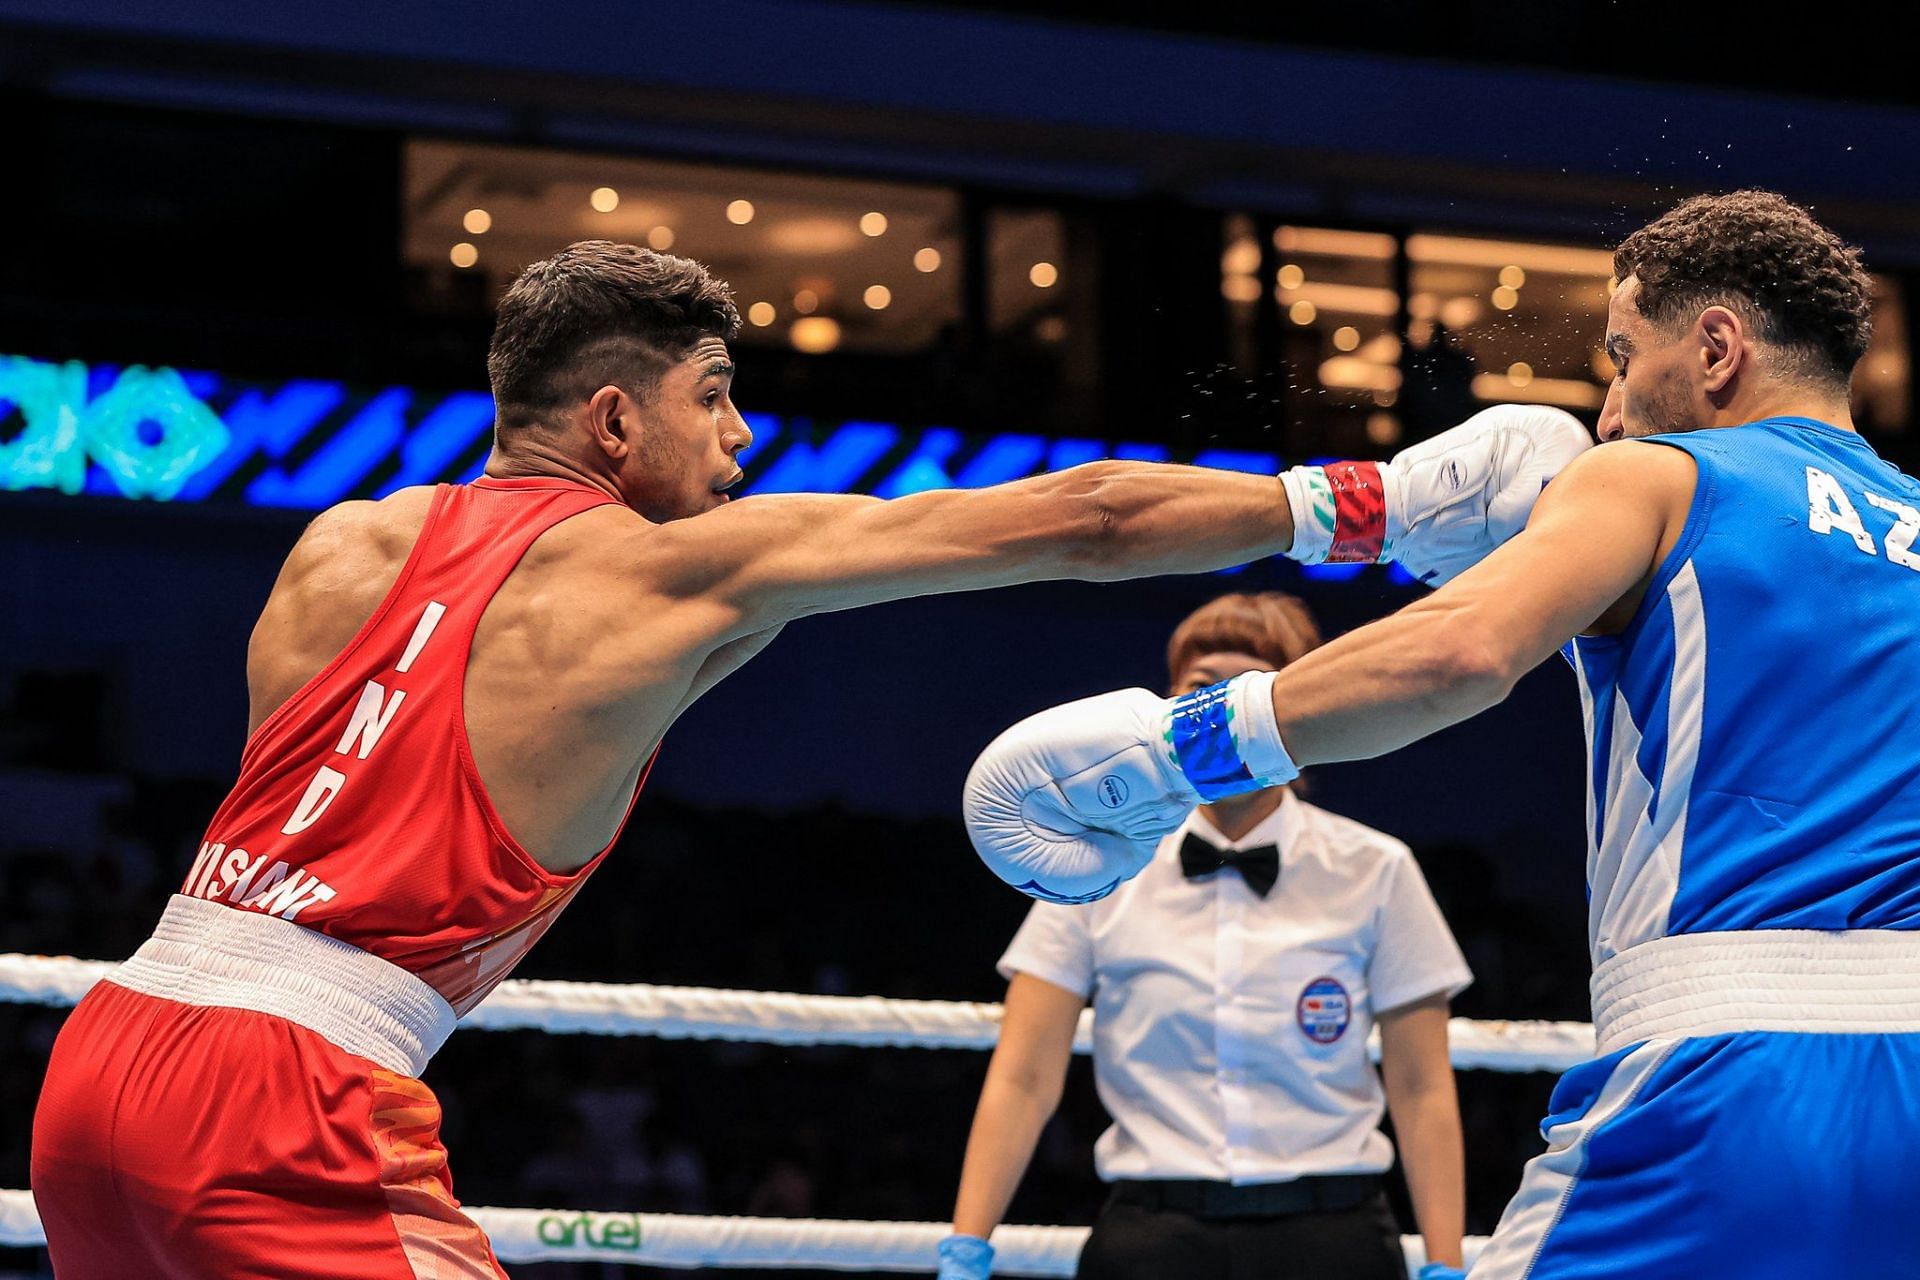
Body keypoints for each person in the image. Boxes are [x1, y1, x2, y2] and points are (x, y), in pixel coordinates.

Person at [27, 239, 1583, 1278]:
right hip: (293, 1095)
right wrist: (1372, 510)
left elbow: (343, 797)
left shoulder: (336, 545)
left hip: (106, 1058)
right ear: (618, 419)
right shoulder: (660, 579)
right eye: (718, 401)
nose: (746, 441)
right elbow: (1081, 518)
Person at [966, 190, 1920, 1277]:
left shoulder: (1661, 474)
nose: (1607, 412)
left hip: (1730, 1084)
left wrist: (1174, 752)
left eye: (1620, 355)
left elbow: (1456, 652)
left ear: (1715, 348)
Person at [940, 592, 1471, 1280]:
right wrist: (967, 1247)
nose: (1220, 713)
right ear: (1165, 711)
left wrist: (1445, 1263)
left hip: (1333, 1237)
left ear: (1301, 713)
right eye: (1199, 691)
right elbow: (1024, 1074)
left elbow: (1421, 1083)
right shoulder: (1098, 867)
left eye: (1245, 691)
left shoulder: (1377, 868)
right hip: (1151, 1237)